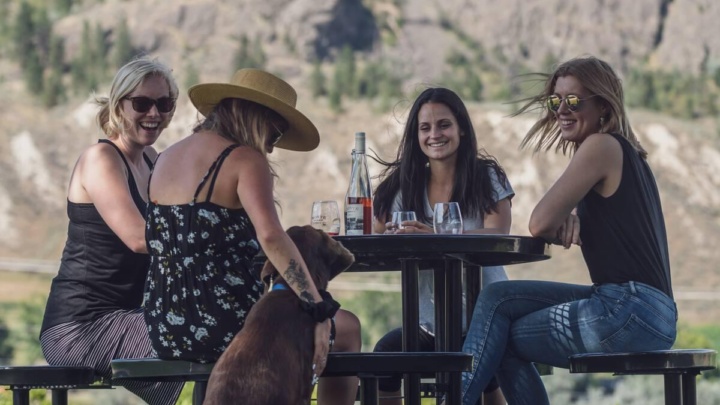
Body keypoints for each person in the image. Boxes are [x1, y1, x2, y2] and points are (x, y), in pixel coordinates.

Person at [458, 56, 677, 405]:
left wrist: (563, 216)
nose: (562, 109)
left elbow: (539, 222)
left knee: (497, 336)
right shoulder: (626, 154)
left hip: (627, 309)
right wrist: (573, 213)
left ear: (604, 105)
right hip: (646, 309)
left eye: (573, 100)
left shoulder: (600, 145)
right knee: (497, 300)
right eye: (555, 101)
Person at [142, 68, 361, 404]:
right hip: (224, 320)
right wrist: (317, 306)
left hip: (164, 326)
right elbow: (272, 237)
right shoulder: (245, 159)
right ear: (259, 118)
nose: (274, 144)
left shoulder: (166, 156)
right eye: (277, 130)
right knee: (345, 328)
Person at [39, 57, 184, 404]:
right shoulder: (100, 159)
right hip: (80, 327)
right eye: (141, 103)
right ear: (119, 105)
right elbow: (139, 238)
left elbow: (180, 228)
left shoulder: (152, 160)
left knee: (225, 335)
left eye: (164, 104)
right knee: (202, 336)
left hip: (131, 318)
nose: (154, 113)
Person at [371, 87, 513, 405]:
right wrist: (394, 235)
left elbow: (499, 233)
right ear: (415, 135)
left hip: (485, 319)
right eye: (425, 127)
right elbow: (373, 231)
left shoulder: (485, 176)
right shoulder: (402, 184)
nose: (435, 134)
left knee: (483, 372)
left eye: (444, 125)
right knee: (385, 356)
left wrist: (432, 236)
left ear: (461, 127)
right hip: (427, 325)